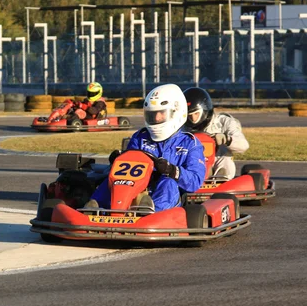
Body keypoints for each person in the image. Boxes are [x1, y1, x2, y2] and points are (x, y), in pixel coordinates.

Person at [87, 83, 206, 212]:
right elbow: (129, 167)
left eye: (161, 113)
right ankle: (96, 210)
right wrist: (119, 160)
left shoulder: (190, 144)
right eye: (152, 114)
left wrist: (172, 170)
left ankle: (150, 213)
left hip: (171, 197)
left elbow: (195, 181)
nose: (156, 118)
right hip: (138, 188)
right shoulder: (140, 137)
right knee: (116, 180)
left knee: (168, 182)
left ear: (176, 113)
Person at [183, 87, 249, 180]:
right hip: (192, 161)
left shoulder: (224, 121)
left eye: (196, 114)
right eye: (189, 115)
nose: (193, 119)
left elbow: (244, 145)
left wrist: (226, 139)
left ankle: (221, 177)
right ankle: (194, 177)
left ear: (205, 110)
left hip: (217, 160)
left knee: (224, 152)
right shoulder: (182, 127)